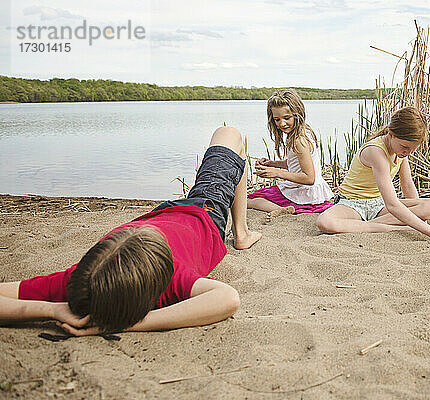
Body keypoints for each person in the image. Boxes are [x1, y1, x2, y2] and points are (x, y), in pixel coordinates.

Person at [0, 126, 262, 335]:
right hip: (203, 213)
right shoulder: (168, 277)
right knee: (230, 134)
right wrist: (136, 325)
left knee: (229, 147)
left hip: (164, 213)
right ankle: (242, 233)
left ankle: (241, 230)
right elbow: (228, 299)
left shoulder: (80, 283)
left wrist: (53, 310)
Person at [316, 107, 430, 249]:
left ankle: (374, 224)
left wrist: (421, 220)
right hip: (352, 204)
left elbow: (407, 186)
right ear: (391, 134)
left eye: (413, 149)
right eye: (405, 147)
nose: (408, 152)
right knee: (324, 222)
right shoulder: (375, 151)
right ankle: (386, 227)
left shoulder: (400, 152)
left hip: (378, 205)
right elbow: (393, 205)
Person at [247, 89, 333, 221]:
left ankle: (278, 209)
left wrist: (277, 173)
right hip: (309, 190)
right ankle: (280, 207)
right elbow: (297, 164)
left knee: (250, 200)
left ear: (297, 114)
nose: (282, 123)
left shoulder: (299, 140)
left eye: (287, 118)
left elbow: (309, 178)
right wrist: (272, 163)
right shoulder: (302, 131)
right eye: (277, 119)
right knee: (259, 195)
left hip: (304, 190)